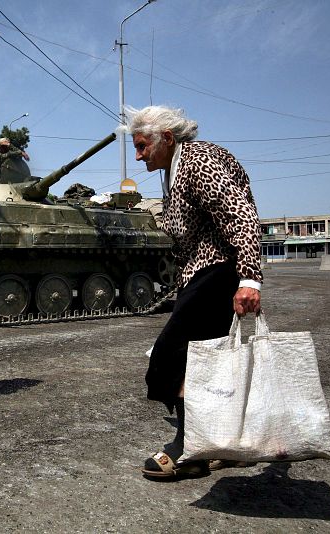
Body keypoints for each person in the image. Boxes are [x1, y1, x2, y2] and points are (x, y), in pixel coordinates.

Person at [125, 105, 263, 480]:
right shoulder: (175, 168)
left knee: (175, 356)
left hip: (217, 271)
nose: (138, 156)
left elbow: (240, 216)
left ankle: (190, 449)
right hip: (201, 273)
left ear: (166, 138)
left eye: (141, 146)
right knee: (208, 362)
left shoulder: (199, 161)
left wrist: (249, 278)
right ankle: (226, 446)